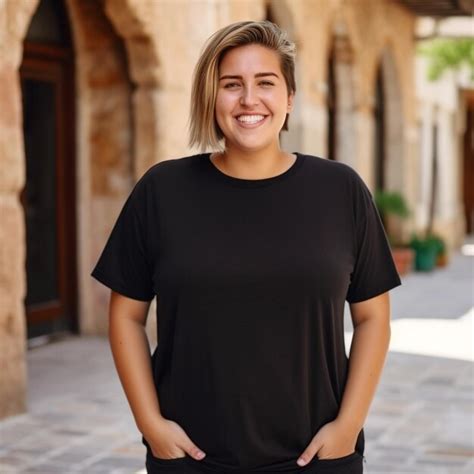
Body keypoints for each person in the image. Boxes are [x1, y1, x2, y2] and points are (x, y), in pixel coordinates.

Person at [90, 20, 402, 474]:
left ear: (290, 97)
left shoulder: (340, 190)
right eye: (231, 85)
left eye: (266, 83)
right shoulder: (163, 190)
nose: (249, 100)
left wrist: (348, 426)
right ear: (210, 97)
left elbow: (373, 317)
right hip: (192, 459)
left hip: (315, 459)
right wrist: (151, 424)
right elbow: (126, 315)